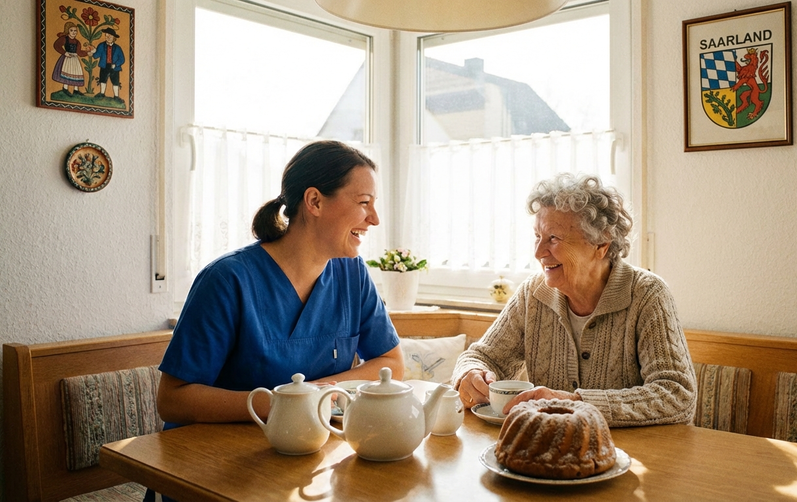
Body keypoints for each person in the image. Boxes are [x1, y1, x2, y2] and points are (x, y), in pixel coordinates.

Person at [156, 139, 404, 428]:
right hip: (218, 449)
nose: (374, 219)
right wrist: (286, 402)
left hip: (313, 442)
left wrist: (317, 393)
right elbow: (172, 400)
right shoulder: (227, 280)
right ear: (315, 201)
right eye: (363, 203)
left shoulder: (352, 274)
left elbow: (391, 363)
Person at [452, 173, 696, 427]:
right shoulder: (533, 294)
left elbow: (677, 395)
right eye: (537, 236)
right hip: (550, 445)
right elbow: (483, 356)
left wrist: (575, 402)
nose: (538, 252)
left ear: (601, 244)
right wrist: (471, 373)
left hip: (632, 448)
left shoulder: (647, 294)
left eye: (553, 238)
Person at [51, 22, 94, 96]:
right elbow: (56, 45)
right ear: (67, 30)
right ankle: (65, 89)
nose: (74, 32)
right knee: (67, 72)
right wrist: (64, 53)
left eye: (75, 30)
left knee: (76, 73)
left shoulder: (77, 42)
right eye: (71, 30)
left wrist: (87, 53)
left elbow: (79, 52)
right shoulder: (64, 39)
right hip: (67, 58)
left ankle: (76, 90)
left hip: (75, 59)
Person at [93, 27, 125, 101]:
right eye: (107, 36)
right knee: (102, 80)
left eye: (110, 36)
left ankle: (116, 96)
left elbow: (122, 59)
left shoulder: (118, 48)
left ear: (114, 38)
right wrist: (93, 52)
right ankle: (102, 93)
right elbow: (96, 55)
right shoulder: (101, 45)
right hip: (104, 65)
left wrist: (116, 64)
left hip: (114, 67)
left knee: (115, 81)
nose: (108, 37)